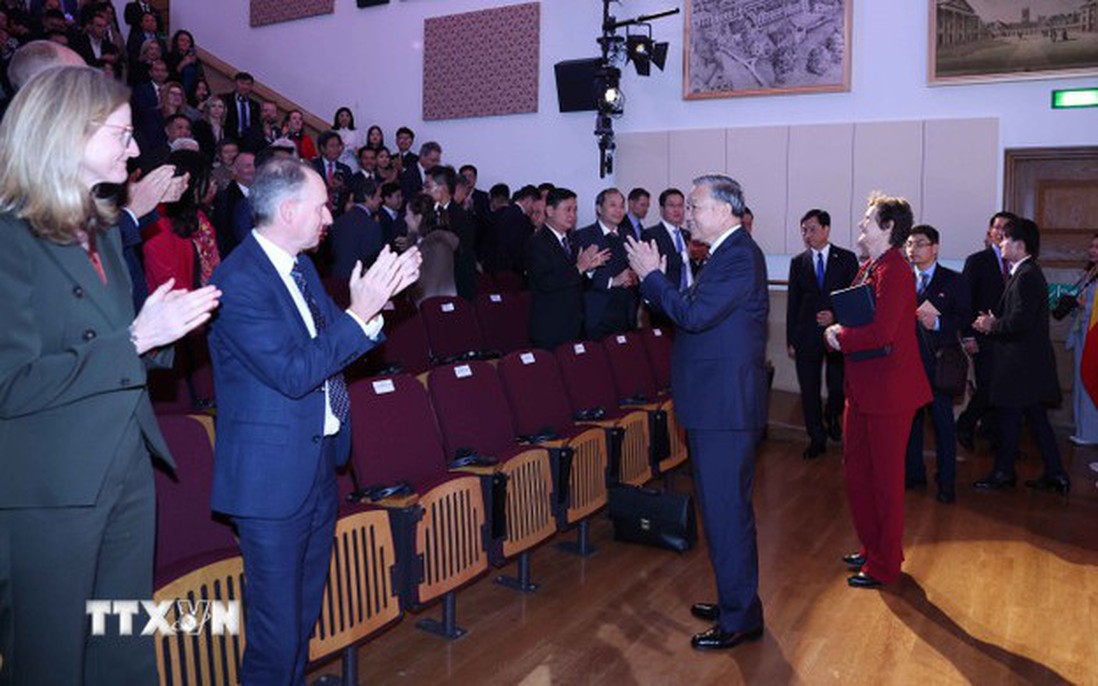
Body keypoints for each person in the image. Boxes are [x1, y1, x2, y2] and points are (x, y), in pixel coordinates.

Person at [0, 65, 220, 686]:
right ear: (67, 135)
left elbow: (123, 350)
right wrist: (137, 340)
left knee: (122, 653)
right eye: (122, 135)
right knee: (52, 665)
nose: (133, 149)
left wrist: (160, 336)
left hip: (124, 472)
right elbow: (11, 383)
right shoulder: (9, 239)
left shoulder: (97, 230)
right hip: (51, 492)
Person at [208, 158, 420, 685]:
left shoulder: (299, 266)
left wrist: (373, 307)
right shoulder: (238, 281)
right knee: (276, 635)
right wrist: (358, 313)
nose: (331, 216)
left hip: (317, 466)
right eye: (322, 205)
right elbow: (295, 372)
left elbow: (332, 348)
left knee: (300, 622)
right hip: (271, 482)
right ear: (287, 210)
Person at [624, 174, 768, 650]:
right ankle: (737, 599)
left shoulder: (738, 257)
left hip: (724, 407)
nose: (688, 213)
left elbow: (691, 315)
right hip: (716, 403)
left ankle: (740, 618)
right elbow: (688, 308)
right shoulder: (726, 254)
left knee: (726, 512)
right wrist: (655, 281)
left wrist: (650, 275)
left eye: (696, 205)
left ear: (726, 210)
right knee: (723, 509)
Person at [824, 192, 930, 589]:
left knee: (885, 482)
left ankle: (886, 563)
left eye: (868, 220)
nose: (860, 225)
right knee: (858, 474)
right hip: (864, 388)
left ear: (888, 227)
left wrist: (840, 336)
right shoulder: (870, 266)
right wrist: (838, 330)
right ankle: (872, 548)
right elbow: (856, 315)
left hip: (890, 393)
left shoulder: (897, 270)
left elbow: (882, 331)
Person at [972, 217, 1070, 494]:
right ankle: (1056, 474)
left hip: (1020, 366)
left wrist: (992, 324)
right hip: (1026, 365)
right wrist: (996, 320)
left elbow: (1020, 322)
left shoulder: (1026, 275)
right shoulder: (1024, 272)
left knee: (1010, 420)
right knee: (1036, 421)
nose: (1000, 242)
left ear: (1019, 244)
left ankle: (1004, 473)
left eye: (1005, 238)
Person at [902, 225, 970, 504]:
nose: (913, 250)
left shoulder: (953, 280)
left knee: (943, 426)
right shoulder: (903, 279)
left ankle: (946, 482)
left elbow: (965, 318)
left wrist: (939, 322)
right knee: (911, 424)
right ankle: (913, 475)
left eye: (919, 244)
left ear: (935, 248)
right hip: (908, 364)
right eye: (909, 244)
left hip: (940, 364)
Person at [786, 209, 859, 459]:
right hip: (805, 335)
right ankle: (816, 437)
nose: (807, 234)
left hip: (838, 335)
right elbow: (793, 304)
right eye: (804, 230)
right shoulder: (798, 262)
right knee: (809, 389)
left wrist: (835, 317)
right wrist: (791, 340)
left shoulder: (847, 259)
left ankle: (832, 415)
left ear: (826, 229)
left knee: (837, 387)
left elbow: (854, 300)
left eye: (812, 229)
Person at [957, 212, 1015, 451]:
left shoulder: (1016, 262)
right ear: (990, 232)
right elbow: (964, 301)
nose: (1001, 232)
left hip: (1009, 337)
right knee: (987, 386)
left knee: (1004, 388)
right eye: (997, 227)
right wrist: (968, 335)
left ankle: (991, 435)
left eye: (1006, 228)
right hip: (982, 336)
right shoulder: (977, 260)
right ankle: (965, 423)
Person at [526, 188, 607, 350]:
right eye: (567, 209)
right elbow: (546, 283)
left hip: (574, 324)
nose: (573, 215)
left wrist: (589, 270)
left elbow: (578, 283)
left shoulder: (572, 240)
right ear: (549, 211)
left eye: (575, 210)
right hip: (550, 327)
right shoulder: (537, 242)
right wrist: (579, 268)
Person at [575, 187, 638, 339]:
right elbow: (578, 277)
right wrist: (612, 281)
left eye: (622, 206)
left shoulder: (628, 235)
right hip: (597, 313)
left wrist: (634, 275)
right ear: (598, 208)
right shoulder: (582, 236)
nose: (618, 210)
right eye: (612, 205)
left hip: (626, 311)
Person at [1066, 234, 1098, 445]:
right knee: (1080, 380)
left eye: (1097, 247)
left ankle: (1091, 432)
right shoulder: (1090, 271)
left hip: (1093, 332)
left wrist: (1083, 305)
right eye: (1092, 246)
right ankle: (1082, 428)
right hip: (1081, 330)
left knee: (1090, 379)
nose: (1092, 250)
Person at [404, 192, 457, 306]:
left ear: (418, 218)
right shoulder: (420, 242)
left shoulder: (436, 246)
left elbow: (428, 288)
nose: (405, 219)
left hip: (435, 310)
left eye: (408, 214)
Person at [332, 106, 363, 172]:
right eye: (342, 116)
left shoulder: (355, 132)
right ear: (337, 118)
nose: (344, 118)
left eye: (347, 116)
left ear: (350, 118)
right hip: (336, 161)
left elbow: (360, 150)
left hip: (351, 162)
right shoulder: (333, 132)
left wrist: (356, 152)